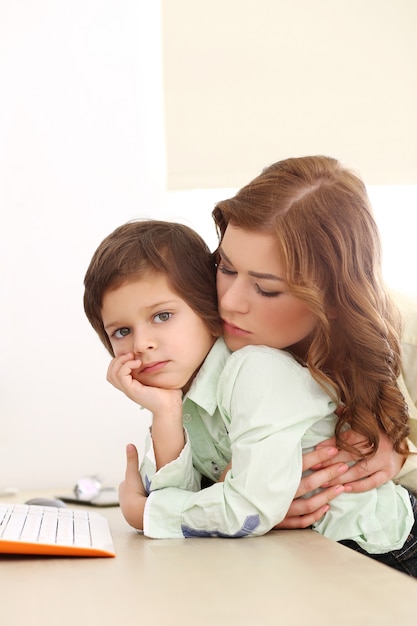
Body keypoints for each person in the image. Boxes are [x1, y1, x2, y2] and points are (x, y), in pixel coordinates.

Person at [83, 186, 417, 574]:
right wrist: (167, 414)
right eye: (121, 332)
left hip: (386, 544)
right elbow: (186, 499)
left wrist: (146, 513)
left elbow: (245, 508)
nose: (143, 344)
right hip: (317, 548)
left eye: (162, 316)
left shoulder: (255, 368)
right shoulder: (192, 383)